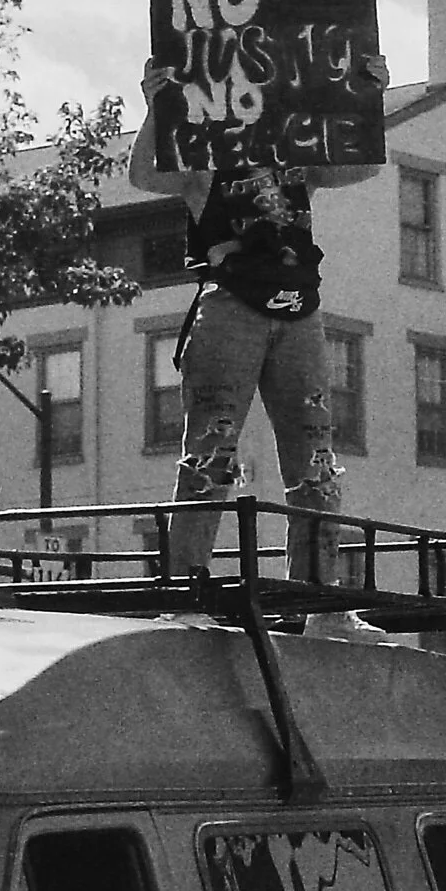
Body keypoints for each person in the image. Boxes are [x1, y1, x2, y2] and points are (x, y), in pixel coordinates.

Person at [130, 53, 387, 582]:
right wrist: (156, 107)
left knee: (315, 457)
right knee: (211, 452)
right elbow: (142, 175)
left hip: (299, 311)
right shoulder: (204, 163)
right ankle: (186, 585)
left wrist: (369, 96)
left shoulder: (299, 161)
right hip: (231, 307)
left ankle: (318, 595)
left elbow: (364, 164)